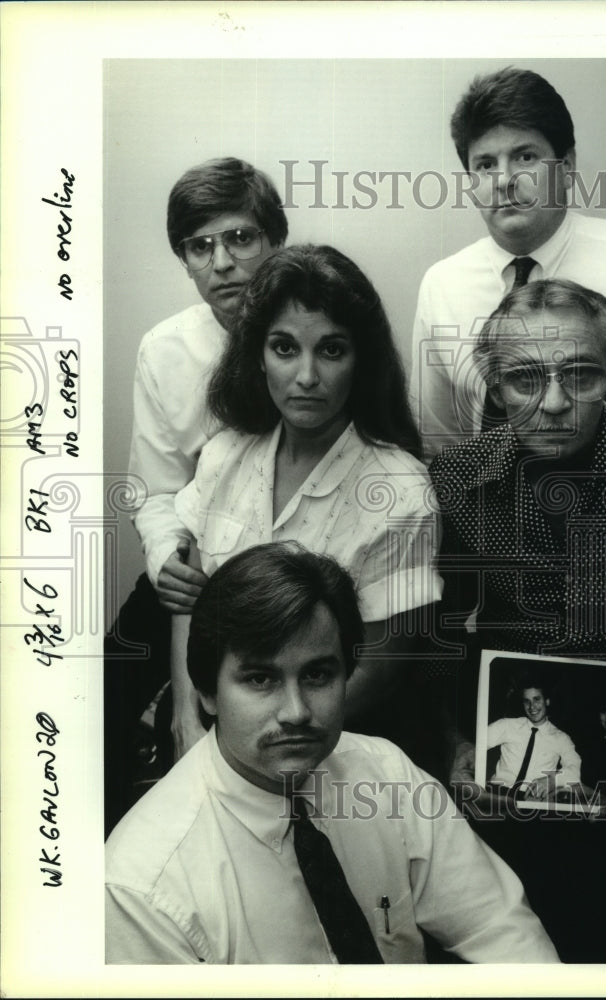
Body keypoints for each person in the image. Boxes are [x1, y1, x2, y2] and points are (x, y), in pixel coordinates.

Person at [428, 277, 606, 962]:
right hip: (506, 785)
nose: (554, 403)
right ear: (494, 387)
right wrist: (452, 750)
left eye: (580, 375)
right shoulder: (452, 480)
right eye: (525, 380)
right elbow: (436, 637)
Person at [105, 543, 559, 965]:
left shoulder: (388, 775)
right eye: (260, 679)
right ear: (206, 692)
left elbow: (499, 927)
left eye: (318, 675)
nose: (297, 712)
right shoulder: (142, 885)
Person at [170, 244, 442, 761]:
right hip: (212, 731)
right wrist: (186, 719)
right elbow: (189, 600)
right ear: (257, 354)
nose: (307, 376)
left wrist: (253, 742)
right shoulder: (223, 454)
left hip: (332, 743)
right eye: (285, 348)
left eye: (332, 350)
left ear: (361, 360)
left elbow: (383, 669)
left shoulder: (403, 490)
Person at [105, 157, 288, 833]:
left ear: (274, 241)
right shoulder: (165, 350)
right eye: (200, 246)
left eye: (240, 238)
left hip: (287, 567)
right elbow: (154, 492)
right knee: (101, 696)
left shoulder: (318, 334)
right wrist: (166, 564)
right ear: (184, 260)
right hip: (194, 566)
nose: (223, 262)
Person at [411, 66, 606, 466]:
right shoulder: (442, 284)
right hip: (492, 514)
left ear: (566, 166)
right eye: (485, 164)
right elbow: (437, 438)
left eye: (525, 156)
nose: (504, 180)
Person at [487, 678, 581, 800]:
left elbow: (574, 770)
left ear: (547, 701)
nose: (532, 707)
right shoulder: (507, 725)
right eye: (527, 701)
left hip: (531, 799)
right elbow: (476, 743)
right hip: (496, 794)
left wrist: (552, 780)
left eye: (537, 700)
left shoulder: (561, 738)